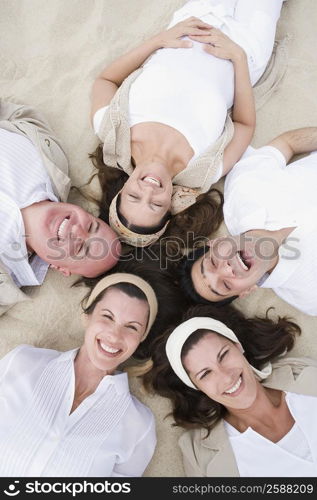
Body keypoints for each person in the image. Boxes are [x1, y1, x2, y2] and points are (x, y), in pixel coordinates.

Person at [90, 0, 286, 247]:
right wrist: (238, 57)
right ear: (171, 203)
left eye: (134, 196)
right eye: (156, 204)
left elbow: (105, 80)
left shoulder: (111, 132)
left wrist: (160, 40)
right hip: (246, 45)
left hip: (194, 22)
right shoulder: (205, 170)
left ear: (122, 189)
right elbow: (244, 125)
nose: (148, 191)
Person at [0, 272, 161, 477]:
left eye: (131, 327)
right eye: (107, 316)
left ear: (141, 339)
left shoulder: (139, 425)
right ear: (87, 317)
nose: (114, 335)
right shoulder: (23, 362)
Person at [145, 304, 317, 477]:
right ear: (197, 387)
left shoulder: (302, 372)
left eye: (223, 355)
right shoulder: (201, 455)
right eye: (205, 374)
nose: (227, 377)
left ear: (238, 346)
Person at [0, 98, 121, 316]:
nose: (77, 230)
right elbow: (18, 115)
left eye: (81, 248)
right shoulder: (52, 161)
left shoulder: (6, 277)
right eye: (92, 226)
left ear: (59, 268)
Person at [180, 126, 317, 315]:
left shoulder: (242, 191)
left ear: (217, 242)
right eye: (226, 285)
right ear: (248, 291)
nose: (227, 270)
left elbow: (288, 143)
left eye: (212, 263)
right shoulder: (309, 296)